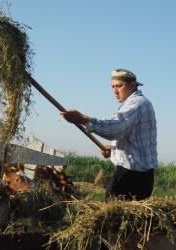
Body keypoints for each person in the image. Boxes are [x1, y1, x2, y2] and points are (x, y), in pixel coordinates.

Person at [60, 69, 157, 201]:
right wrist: (113, 150)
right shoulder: (141, 104)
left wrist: (82, 119)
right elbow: (134, 140)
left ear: (133, 86)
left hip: (131, 175)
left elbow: (116, 127)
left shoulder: (136, 104)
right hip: (142, 175)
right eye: (113, 87)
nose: (115, 91)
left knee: (113, 214)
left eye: (119, 86)